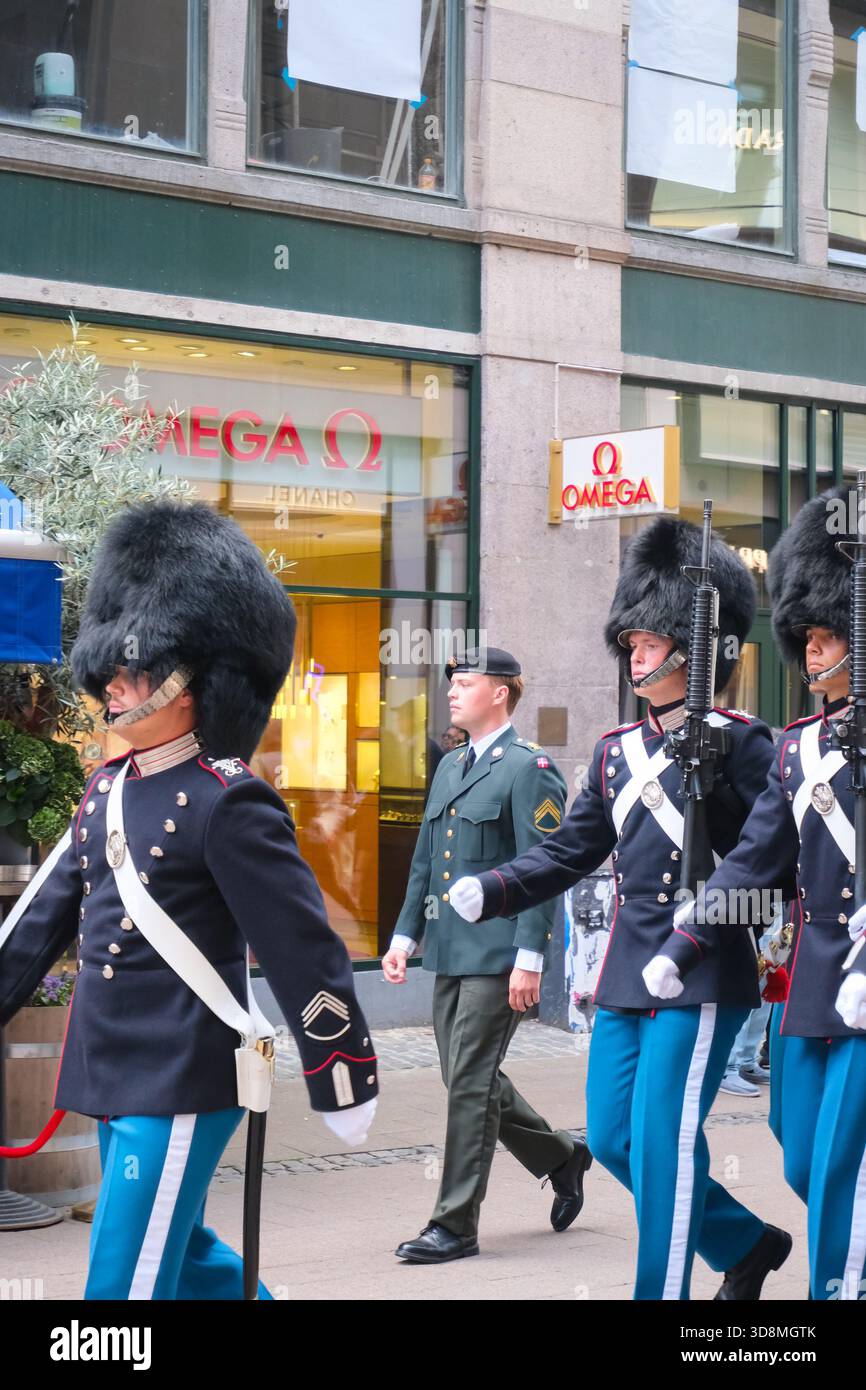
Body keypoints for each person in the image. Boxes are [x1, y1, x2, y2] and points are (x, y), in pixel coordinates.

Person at [0, 501, 378, 1299]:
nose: (113, 684)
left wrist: (341, 1073)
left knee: (120, 1292)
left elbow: (300, 945)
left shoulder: (226, 800)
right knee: (193, 1264)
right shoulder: (106, 789)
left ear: (190, 682)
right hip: (113, 1072)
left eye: (132, 672)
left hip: (182, 1077)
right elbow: (39, 923)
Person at [449, 517, 791, 1300]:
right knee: (613, 1137)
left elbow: (766, 859)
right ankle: (746, 1243)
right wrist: (496, 887)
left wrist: (701, 923)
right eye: (629, 644)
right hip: (631, 969)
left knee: (665, 1146)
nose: (635, 657)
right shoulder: (613, 752)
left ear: (689, 648)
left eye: (649, 643)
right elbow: (570, 850)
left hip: (704, 971)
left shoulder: (744, 743)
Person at [646, 485, 866, 1300]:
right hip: (812, 986)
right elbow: (752, 860)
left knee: (843, 1160)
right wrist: (687, 938)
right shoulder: (797, 747)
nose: (811, 654)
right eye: (805, 639)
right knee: (801, 1148)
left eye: (828, 639)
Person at [382, 647, 592, 1264]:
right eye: (451, 682)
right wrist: (402, 938)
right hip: (450, 947)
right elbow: (425, 860)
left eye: (465, 682)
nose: (452, 691)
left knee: (469, 1083)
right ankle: (561, 1155)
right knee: (463, 1076)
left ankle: (454, 1224)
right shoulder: (450, 765)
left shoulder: (529, 768)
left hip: (500, 953)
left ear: (500, 693)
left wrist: (531, 955)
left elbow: (546, 868)